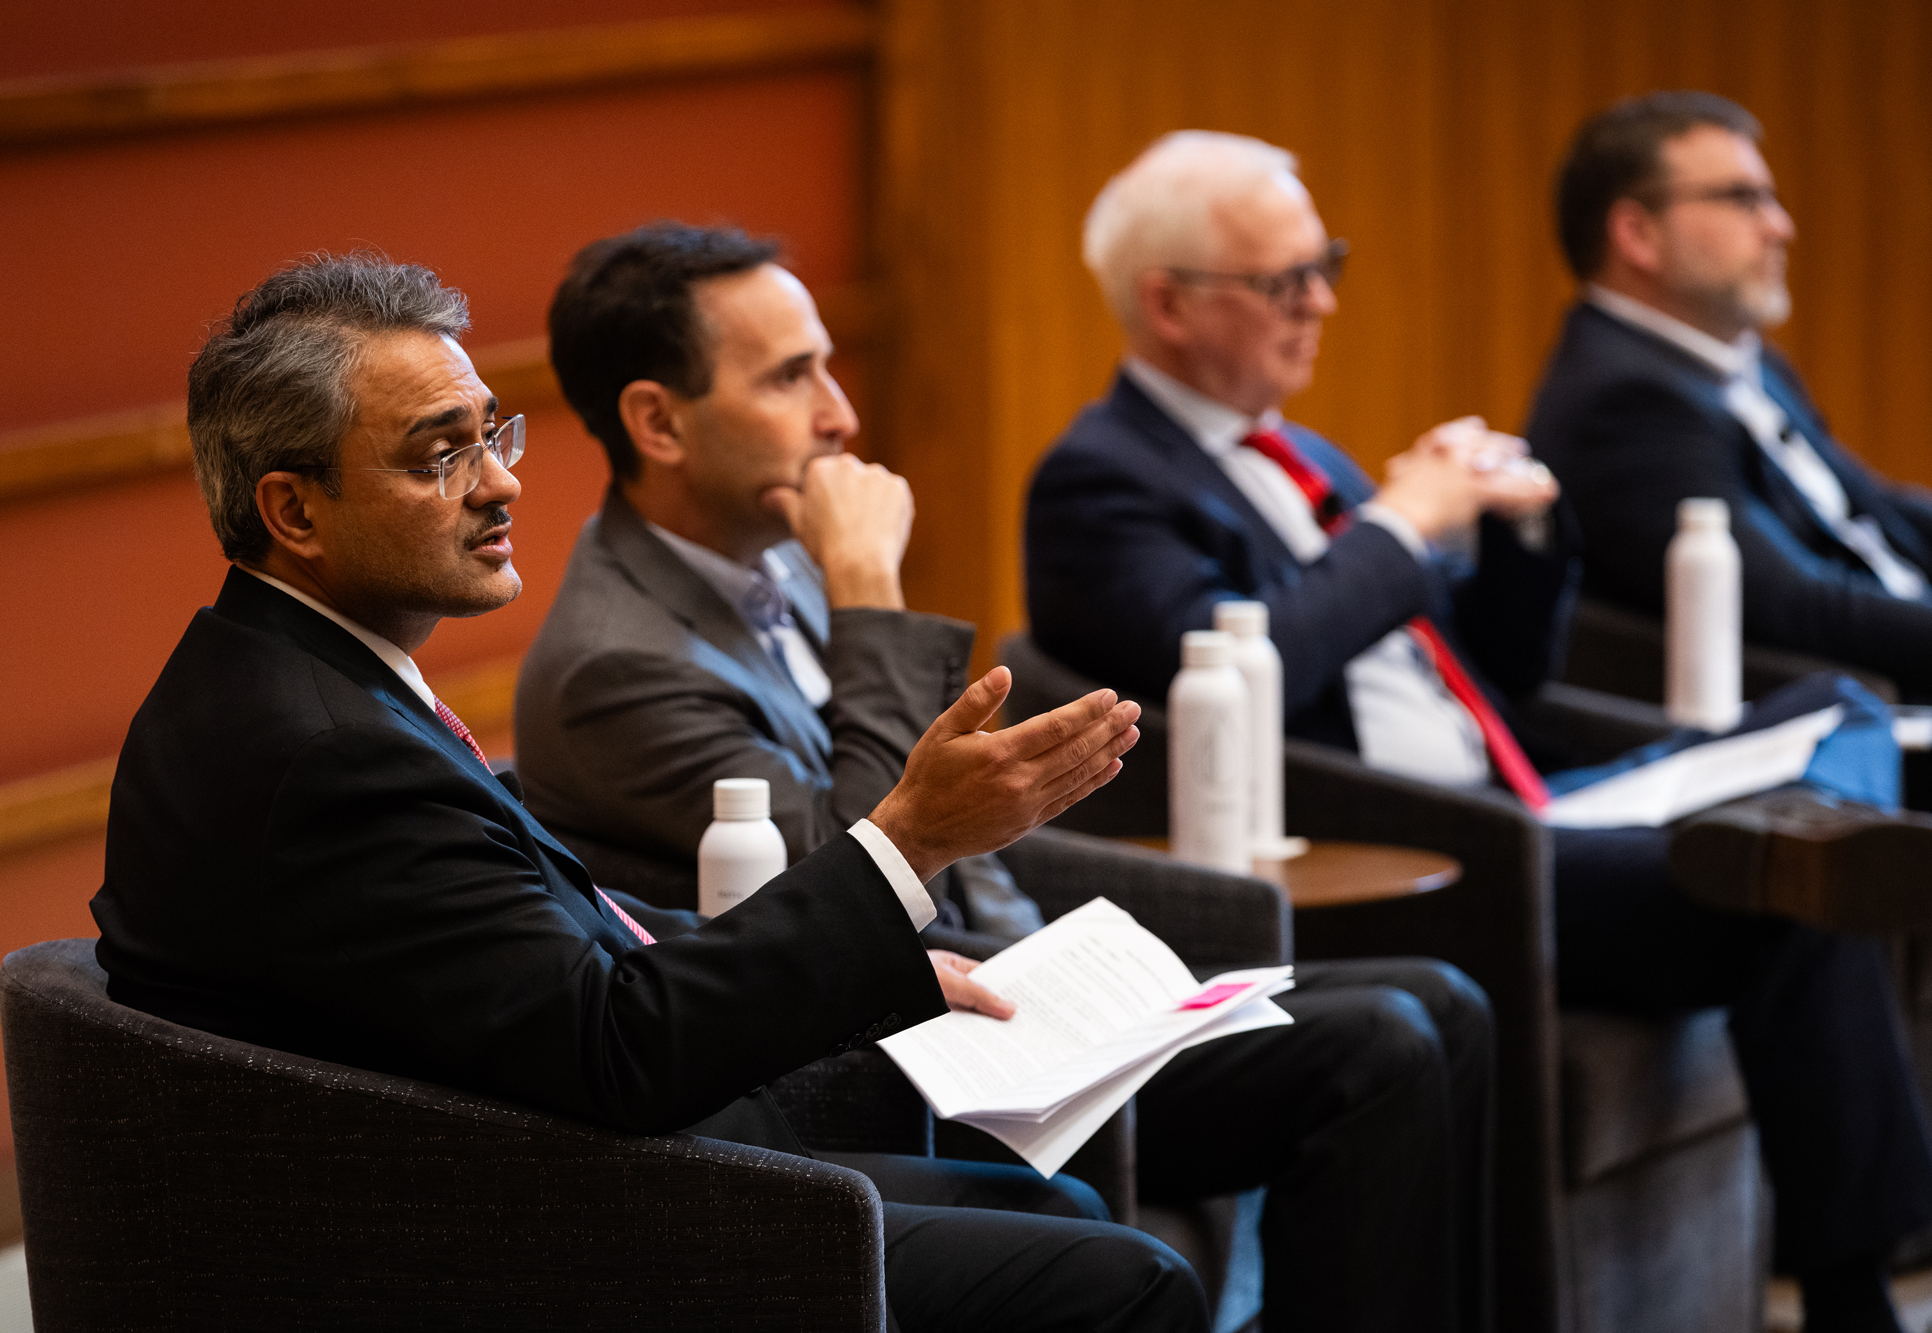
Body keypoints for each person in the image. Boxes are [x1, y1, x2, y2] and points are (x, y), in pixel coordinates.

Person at [89, 252, 1212, 1333]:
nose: (501, 481)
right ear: (294, 512)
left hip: (511, 1163)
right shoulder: (322, 750)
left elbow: (544, 944)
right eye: (441, 455)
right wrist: (904, 841)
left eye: (492, 433)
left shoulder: (288, 672)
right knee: (1124, 1278)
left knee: (1050, 1205)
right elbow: (616, 1046)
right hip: (518, 1238)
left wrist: (877, 959)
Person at [1024, 129, 1932, 1333]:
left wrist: (1516, 534)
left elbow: (1483, 677)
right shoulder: (1098, 482)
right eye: (1284, 280)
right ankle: (1853, 1291)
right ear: (1168, 304)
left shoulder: (1300, 455)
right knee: (1787, 878)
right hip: (1433, 850)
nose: (1322, 303)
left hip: (1525, 786)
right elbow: (1240, 681)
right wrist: (1397, 529)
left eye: (1324, 263)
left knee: (1829, 715)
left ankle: (1848, 1264)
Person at [522, 221, 1497, 1333]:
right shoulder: (617, 662)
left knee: (1442, 999)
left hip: (1005, 974)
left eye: (826, 366)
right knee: (1379, 1045)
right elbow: (861, 878)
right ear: (657, 420)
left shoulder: (765, 556)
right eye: (791, 378)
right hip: (895, 1044)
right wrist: (868, 590)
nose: (839, 414)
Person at [1528, 91, 1932, 713]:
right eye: (1744, 199)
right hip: (1857, 719)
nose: (1780, 226)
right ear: (1638, 234)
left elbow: (1868, 510)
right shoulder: (1624, 403)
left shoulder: (1743, 363)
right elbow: (1795, 603)